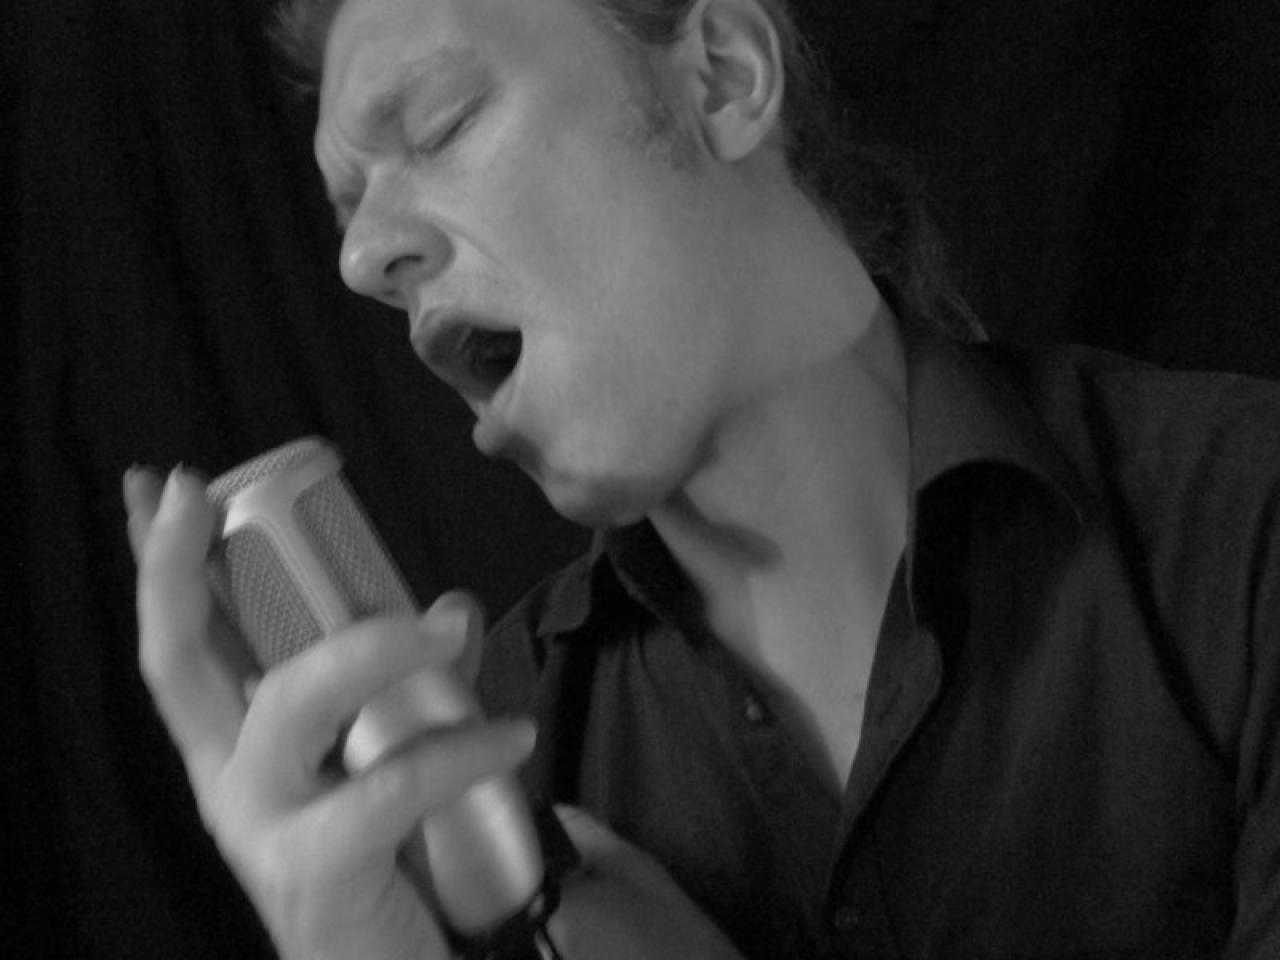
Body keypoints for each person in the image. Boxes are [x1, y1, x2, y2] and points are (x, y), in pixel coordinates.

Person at [123, 0, 1280, 957]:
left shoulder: (1240, 522)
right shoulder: (491, 771)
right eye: (347, 213)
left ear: (722, 77)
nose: (360, 258)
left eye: (441, 122)